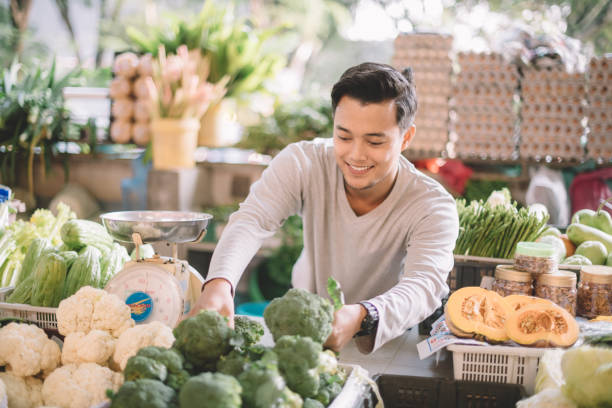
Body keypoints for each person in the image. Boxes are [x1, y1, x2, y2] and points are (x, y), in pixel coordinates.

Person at [190, 62, 459, 354]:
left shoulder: (432, 206)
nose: (356, 155)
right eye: (344, 137)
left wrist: (361, 316)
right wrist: (219, 282)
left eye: (374, 141)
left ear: (405, 138)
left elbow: (424, 284)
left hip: (386, 344)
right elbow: (253, 219)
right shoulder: (303, 162)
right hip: (303, 339)